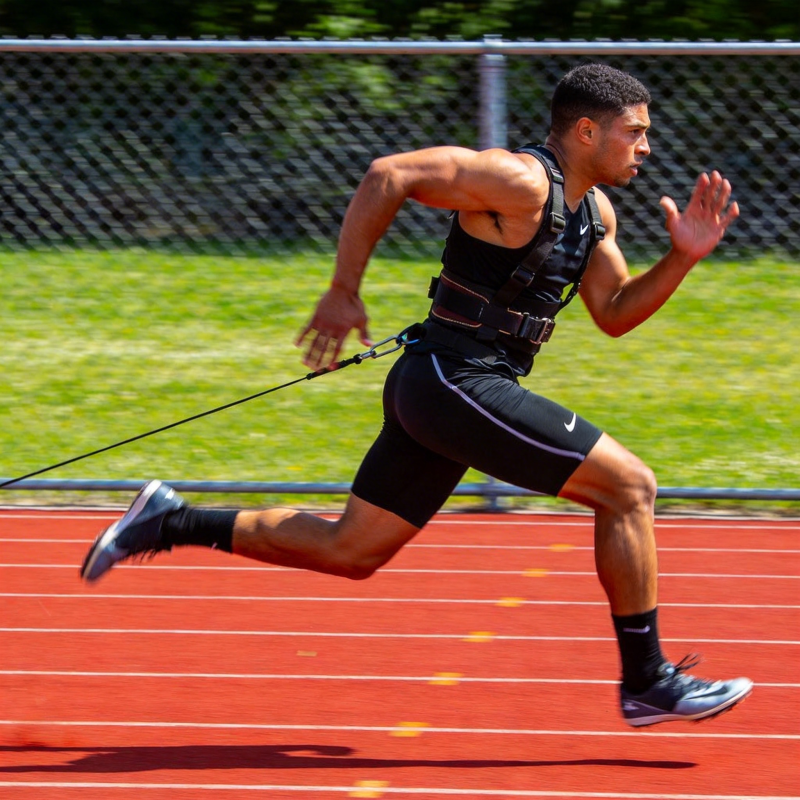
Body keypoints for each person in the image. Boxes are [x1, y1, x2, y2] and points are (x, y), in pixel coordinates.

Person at [80, 63, 752, 727]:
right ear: (585, 130)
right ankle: (647, 681)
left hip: (447, 388)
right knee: (630, 487)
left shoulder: (593, 213)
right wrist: (345, 289)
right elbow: (389, 174)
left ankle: (166, 520)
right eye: (634, 132)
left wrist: (684, 257)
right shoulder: (518, 180)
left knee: (352, 552)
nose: (646, 147)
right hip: (454, 379)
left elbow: (615, 311)